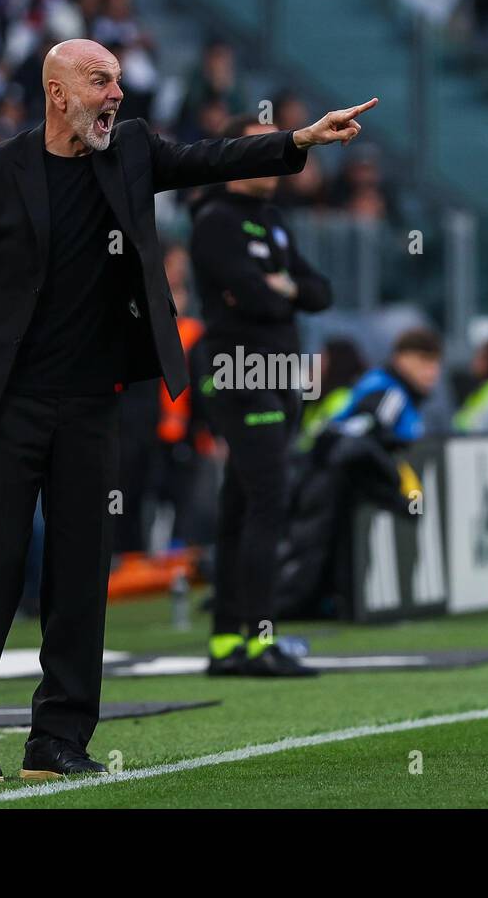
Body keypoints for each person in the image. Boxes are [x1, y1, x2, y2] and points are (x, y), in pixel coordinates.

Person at [0, 36, 377, 781]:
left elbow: (210, 159)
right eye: (100, 82)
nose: (116, 96)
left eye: (119, 82)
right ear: (57, 92)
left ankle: (57, 739)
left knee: (80, 576)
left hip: (94, 404)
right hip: (7, 407)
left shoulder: (130, 150)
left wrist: (296, 139)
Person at [190, 113, 334, 677]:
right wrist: (281, 293)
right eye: (260, 149)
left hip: (280, 371)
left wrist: (287, 288)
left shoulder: (273, 221)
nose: (274, 165)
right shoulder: (215, 221)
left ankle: (228, 640)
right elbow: (253, 298)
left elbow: (320, 292)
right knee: (270, 500)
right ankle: (257, 637)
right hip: (240, 371)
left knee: (242, 504)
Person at [276, 327, 441, 619]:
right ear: (402, 359)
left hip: (326, 472)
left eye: (436, 364)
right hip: (323, 475)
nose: (433, 372)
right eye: (425, 362)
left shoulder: (392, 390)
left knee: (316, 556)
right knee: (305, 560)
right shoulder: (390, 392)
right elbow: (357, 439)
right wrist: (395, 489)